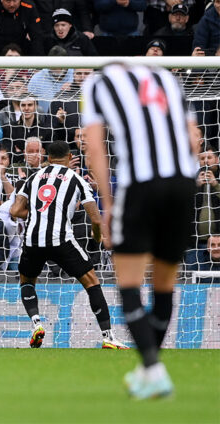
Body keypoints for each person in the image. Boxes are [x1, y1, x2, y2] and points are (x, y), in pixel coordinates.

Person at [84, 63, 200, 398]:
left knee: (130, 284)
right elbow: (194, 138)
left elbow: (95, 148)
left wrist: (107, 205)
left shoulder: (99, 81)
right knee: (163, 286)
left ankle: (152, 367)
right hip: (182, 185)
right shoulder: (168, 79)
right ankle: (148, 371)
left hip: (140, 186)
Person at [9, 141, 128, 350]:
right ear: (69, 156)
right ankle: (108, 336)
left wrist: (39, 215)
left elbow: (15, 211)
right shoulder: (77, 179)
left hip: (32, 238)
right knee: (91, 281)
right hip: (60, 238)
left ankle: (36, 323)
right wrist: (98, 238)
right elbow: (96, 220)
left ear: (47, 156)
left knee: (27, 280)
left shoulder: (32, 177)